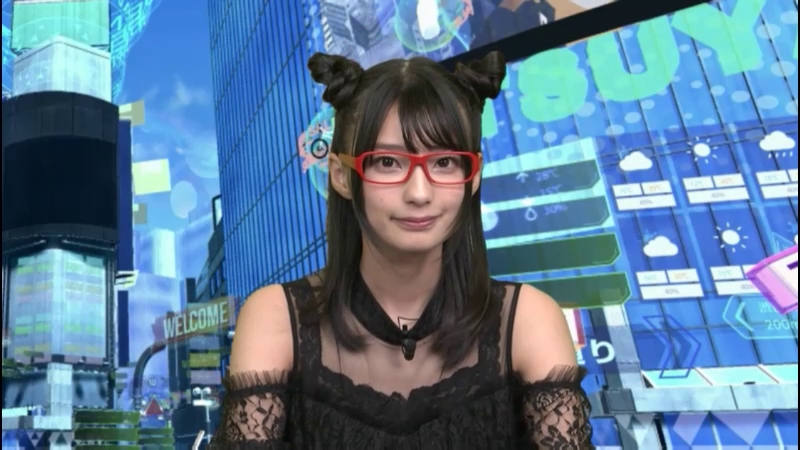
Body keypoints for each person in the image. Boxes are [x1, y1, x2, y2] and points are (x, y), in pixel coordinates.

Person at [209, 51, 593, 449]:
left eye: (445, 162)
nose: (419, 193)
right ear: (341, 175)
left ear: (473, 175)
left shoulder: (528, 318)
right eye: (388, 162)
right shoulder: (275, 317)